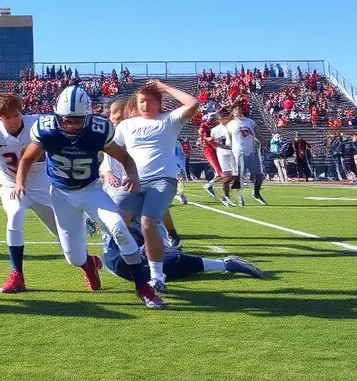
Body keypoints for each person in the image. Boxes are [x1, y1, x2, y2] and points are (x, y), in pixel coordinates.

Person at [14, 85, 163, 309]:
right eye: (65, 119)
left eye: (76, 120)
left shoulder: (98, 130)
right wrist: (19, 182)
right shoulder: (46, 130)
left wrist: (132, 175)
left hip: (91, 190)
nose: (70, 125)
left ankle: (142, 286)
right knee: (73, 258)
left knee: (119, 229)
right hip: (62, 195)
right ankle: (89, 264)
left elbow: (124, 157)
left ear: (88, 116)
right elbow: (26, 159)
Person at [113, 80, 206, 292]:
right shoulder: (126, 125)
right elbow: (113, 151)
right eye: (142, 101)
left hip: (162, 180)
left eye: (151, 101)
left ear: (159, 103)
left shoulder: (168, 120)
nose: (146, 105)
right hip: (136, 181)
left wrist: (164, 87)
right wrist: (110, 172)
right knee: (116, 221)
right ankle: (142, 252)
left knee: (148, 221)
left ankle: (157, 275)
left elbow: (192, 103)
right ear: (136, 105)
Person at [0, 92, 58, 293]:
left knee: (63, 236)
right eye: (7, 117)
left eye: (16, 115)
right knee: (15, 215)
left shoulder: (38, 123)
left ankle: (88, 262)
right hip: (10, 186)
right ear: (0, 117)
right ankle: (17, 275)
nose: (13, 120)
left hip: (42, 187)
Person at [103, 222, 264, 283]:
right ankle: (227, 264)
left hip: (126, 254)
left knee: (172, 262)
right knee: (171, 263)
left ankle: (227, 264)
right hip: (120, 256)